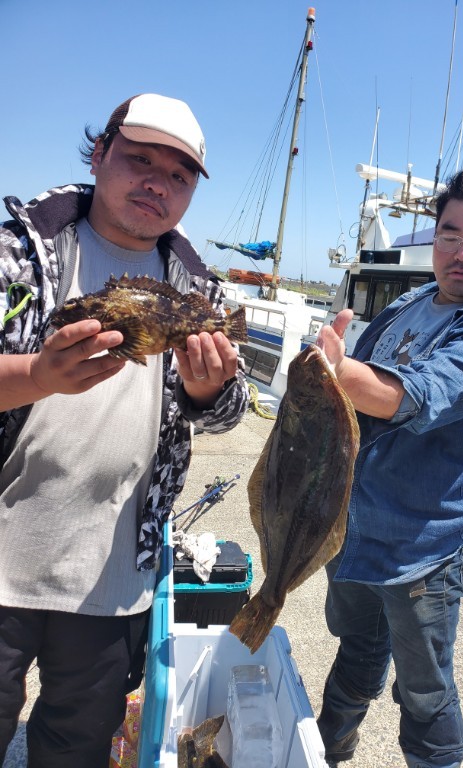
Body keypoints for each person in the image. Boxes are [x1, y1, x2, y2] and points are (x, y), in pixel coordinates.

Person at [0, 93, 248, 767]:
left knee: (77, 748)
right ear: (100, 153)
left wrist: (207, 389)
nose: (157, 183)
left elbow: (230, 410)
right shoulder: (21, 251)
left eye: (178, 175)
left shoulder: (199, 291)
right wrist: (37, 375)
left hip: (114, 578)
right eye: (139, 160)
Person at [316, 168, 463, 768]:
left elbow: (413, 394)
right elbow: (361, 384)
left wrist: (332, 372)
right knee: (358, 649)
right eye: (449, 235)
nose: (462, 253)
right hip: (356, 532)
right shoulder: (413, 300)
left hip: (422, 552)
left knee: (425, 690)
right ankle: (326, 748)